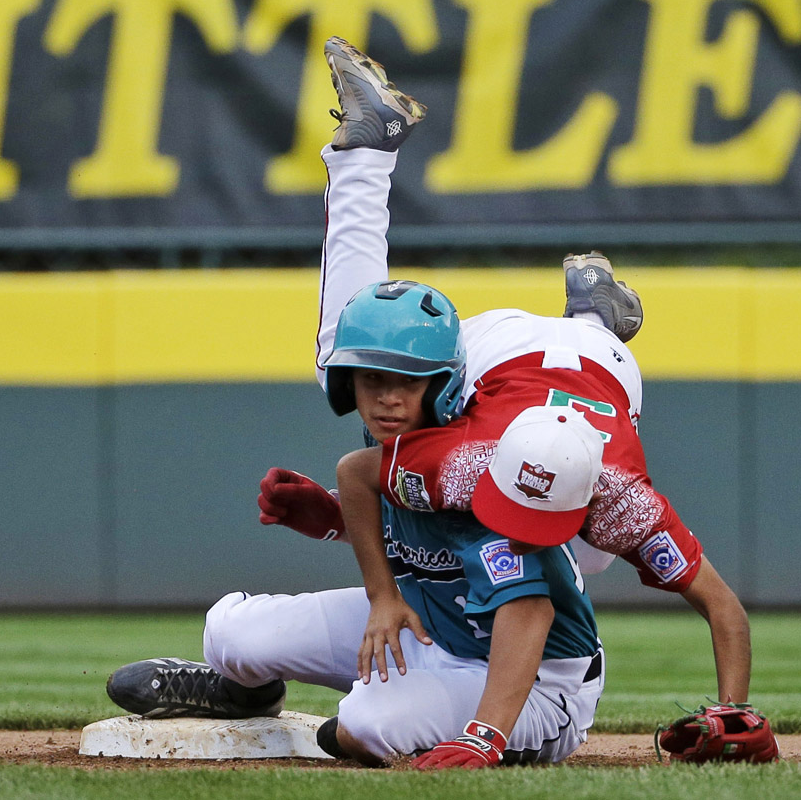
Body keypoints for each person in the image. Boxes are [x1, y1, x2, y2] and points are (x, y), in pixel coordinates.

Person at [105, 38, 612, 770]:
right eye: (371, 380)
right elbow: (377, 481)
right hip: (427, 619)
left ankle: (595, 322)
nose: (386, 394)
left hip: (525, 675)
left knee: (365, 726)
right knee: (230, 633)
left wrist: (485, 735)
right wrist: (355, 546)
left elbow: (525, 609)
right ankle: (245, 689)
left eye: (406, 380)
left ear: (445, 382)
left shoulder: (492, 463)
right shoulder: (395, 434)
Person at [267, 36, 755, 710]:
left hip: (597, 369)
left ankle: (592, 313)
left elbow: (726, 610)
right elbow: (375, 475)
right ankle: (586, 310)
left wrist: (734, 712)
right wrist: (340, 519)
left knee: (574, 561)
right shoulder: (467, 457)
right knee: (350, 359)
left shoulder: (621, 510)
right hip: (498, 356)